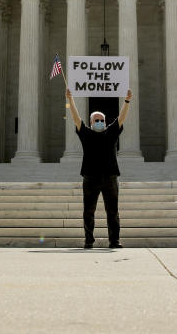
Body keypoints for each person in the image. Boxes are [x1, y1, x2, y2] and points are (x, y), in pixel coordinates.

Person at [65, 87, 132, 249]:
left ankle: (114, 241)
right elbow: (75, 118)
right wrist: (70, 100)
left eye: (101, 120)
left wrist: (127, 101)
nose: (99, 122)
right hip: (90, 176)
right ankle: (89, 240)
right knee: (88, 211)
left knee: (113, 212)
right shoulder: (86, 134)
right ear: (91, 122)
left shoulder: (111, 133)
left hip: (110, 177)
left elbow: (121, 118)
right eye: (96, 120)